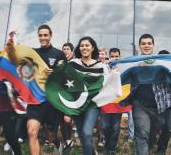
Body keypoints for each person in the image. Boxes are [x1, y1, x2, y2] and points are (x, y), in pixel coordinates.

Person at [130, 34, 171, 155]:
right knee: (142, 133)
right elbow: (122, 74)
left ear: (153, 45)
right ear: (139, 46)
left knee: (150, 136)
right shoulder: (133, 62)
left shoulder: (162, 62)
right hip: (139, 104)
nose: (146, 45)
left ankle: (145, 150)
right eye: (143, 43)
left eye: (149, 43)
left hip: (159, 106)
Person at [27, 24, 67, 154]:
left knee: (51, 135)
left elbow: (66, 77)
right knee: (32, 132)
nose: (43, 37)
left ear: (50, 36)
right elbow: (22, 66)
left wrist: (55, 74)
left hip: (52, 100)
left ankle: (57, 144)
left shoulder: (59, 54)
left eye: (45, 35)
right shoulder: (33, 53)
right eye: (40, 35)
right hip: (36, 99)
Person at [70, 36, 110, 155]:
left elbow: (107, 83)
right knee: (83, 135)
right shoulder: (72, 64)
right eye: (82, 45)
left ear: (93, 48)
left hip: (92, 105)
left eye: (87, 45)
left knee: (87, 132)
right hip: (76, 105)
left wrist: (115, 75)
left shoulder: (101, 66)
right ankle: (92, 152)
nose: (84, 48)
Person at [101, 47, 129, 154]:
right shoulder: (104, 67)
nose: (114, 58)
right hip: (106, 101)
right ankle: (107, 143)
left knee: (116, 127)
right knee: (105, 126)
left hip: (118, 102)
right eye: (112, 56)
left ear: (120, 56)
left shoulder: (124, 68)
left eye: (116, 56)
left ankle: (112, 148)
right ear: (109, 56)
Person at [155, 50, 171, 154]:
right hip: (157, 104)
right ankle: (154, 143)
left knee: (168, 128)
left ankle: (161, 149)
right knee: (157, 126)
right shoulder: (154, 71)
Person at [61, 43, 75, 151]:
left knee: (67, 120)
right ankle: (66, 141)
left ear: (72, 51)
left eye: (68, 49)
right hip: (59, 95)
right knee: (61, 120)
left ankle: (70, 137)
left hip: (71, 95)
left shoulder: (75, 63)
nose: (66, 50)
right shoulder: (60, 63)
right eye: (64, 49)